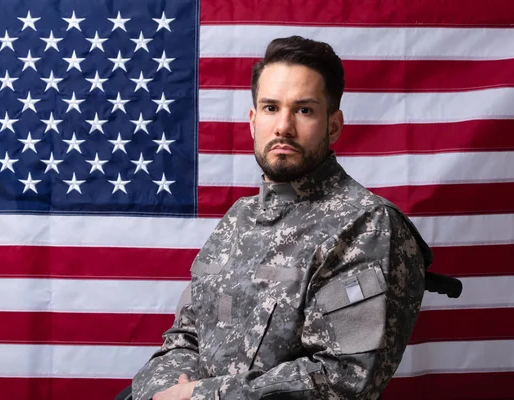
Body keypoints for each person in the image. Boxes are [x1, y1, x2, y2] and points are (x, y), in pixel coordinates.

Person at [132, 35, 430, 400]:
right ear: (253, 120)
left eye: (304, 110)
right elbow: (184, 337)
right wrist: (159, 392)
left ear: (333, 125)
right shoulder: (237, 219)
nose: (283, 126)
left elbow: (342, 379)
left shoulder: (365, 225)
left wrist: (200, 397)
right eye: (271, 108)